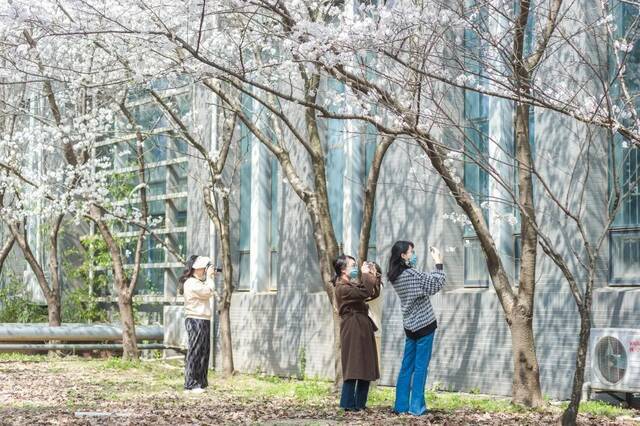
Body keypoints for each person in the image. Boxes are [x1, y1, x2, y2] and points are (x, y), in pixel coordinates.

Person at [387, 241, 446, 416]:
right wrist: (438, 262)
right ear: (403, 256)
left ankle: (401, 405)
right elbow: (436, 283)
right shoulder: (411, 274)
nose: (414, 254)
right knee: (420, 367)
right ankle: (416, 407)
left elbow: (423, 283)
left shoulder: (395, 276)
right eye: (411, 252)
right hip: (424, 326)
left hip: (410, 326)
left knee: (406, 366)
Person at [333, 255, 382, 411]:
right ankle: (347, 404)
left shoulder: (350, 285)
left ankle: (359, 404)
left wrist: (373, 275)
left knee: (365, 364)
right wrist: (366, 275)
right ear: (343, 269)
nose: (355, 268)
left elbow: (372, 293)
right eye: (352, 265)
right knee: (354, 364)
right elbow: (365, 291)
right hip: (352, 326)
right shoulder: (342, 288)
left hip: (362, 325)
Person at [179, 255, 217, 393]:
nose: (207, 271)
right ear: (199, 268)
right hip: (195, 319)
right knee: (195, 351)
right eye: (205, 268)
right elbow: (208, 292)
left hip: (203, 319)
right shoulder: (191, 283)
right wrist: (210, 278)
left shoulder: (199, 282)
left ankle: (200, 383)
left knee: (204, 352)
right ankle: (190, 384)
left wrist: (208, 279)